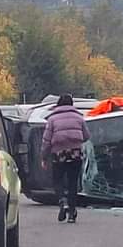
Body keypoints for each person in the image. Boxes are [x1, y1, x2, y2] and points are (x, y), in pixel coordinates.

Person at [41, 94, 91, 223]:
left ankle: (62, 202)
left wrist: (44, 157)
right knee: (73, 182)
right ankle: (72, 214)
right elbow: (86, 136)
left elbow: (46, 140)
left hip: (59, 153)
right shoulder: (79, 117)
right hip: (75, 153)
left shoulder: (52, 119)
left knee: (58, 180)